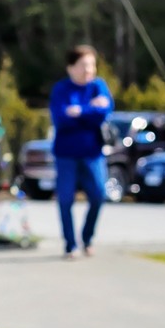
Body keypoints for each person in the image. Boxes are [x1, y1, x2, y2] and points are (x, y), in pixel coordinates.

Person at [49, 44, 113, 259]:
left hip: (92, 152)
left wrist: (80, 111)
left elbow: (103, 113)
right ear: (71, 68)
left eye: (92, 66)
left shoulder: (98, 86)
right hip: (66, 154)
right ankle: (70, 244)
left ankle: (87, 237)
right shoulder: (61, 90)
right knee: (65, 199)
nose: (89, 70)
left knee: (98, 195)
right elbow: (61, 119)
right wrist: (89, 111)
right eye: (84, 66)